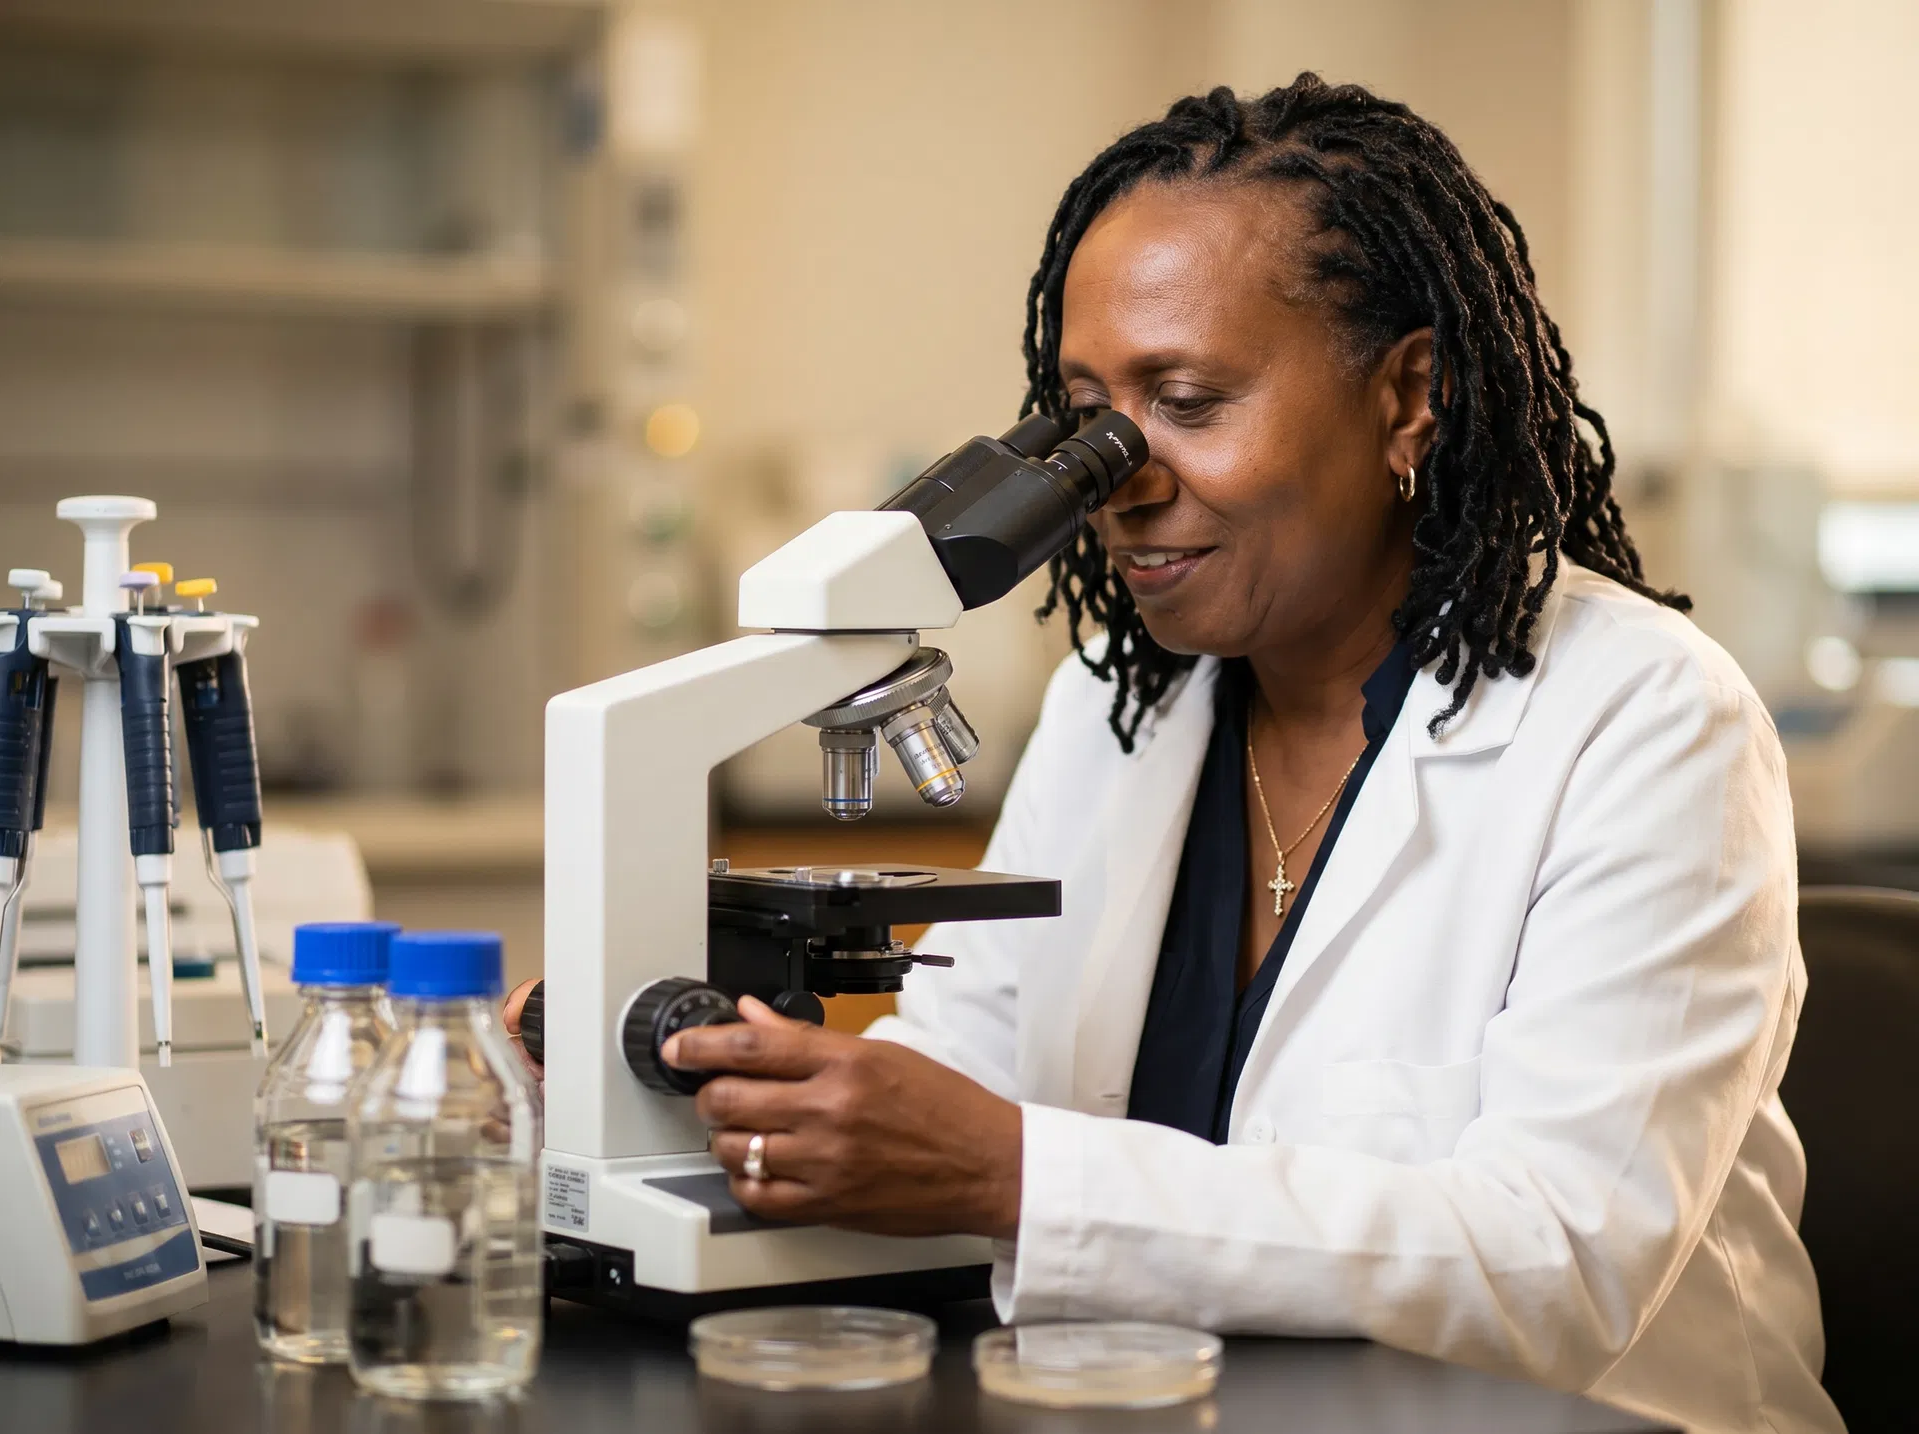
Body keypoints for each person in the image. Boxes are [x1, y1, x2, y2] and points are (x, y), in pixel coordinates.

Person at [507, 77, 1839, 1434]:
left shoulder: (1649, 721)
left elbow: (1557, 1261)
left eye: (1188, 401)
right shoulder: (1118, 706)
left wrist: (1018, 1174)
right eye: (1085, 416)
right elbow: (958, 1077)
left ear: (1410, 399)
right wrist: (758, 1098)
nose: (1122, 478)